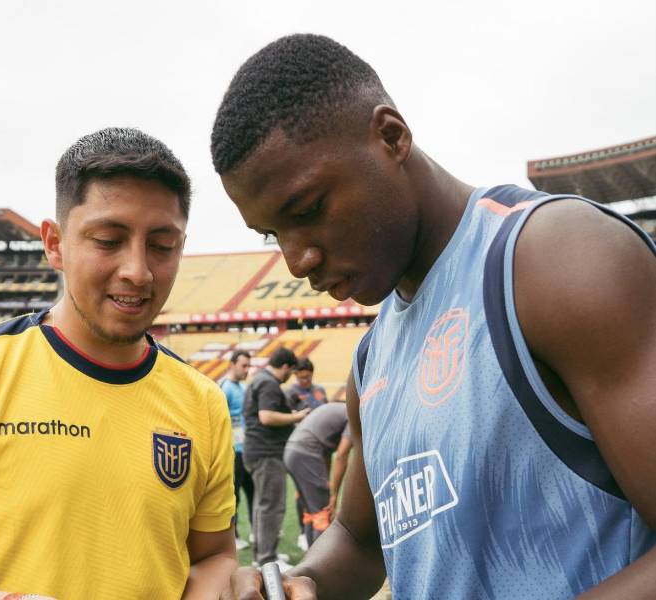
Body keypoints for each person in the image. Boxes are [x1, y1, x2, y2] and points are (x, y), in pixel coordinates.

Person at [211, 34, 656, 599]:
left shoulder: (553, 259)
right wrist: (304, 583)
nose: (297, 261)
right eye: (275, 234)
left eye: (308, 210)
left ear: (391, 137)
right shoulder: (373, 358)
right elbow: (360, 540)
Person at [0, 128, 237, 599]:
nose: (138, 270)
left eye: (162, 245)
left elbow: (215, 556)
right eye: (109, 240)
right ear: (54, 244)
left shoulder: (202, 401)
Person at [243, 346, 309, 571]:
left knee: (263, 506)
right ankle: (266, 559)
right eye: (290, 371)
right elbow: (267, 416)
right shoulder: (269, 383)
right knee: (272, 507)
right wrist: (297, 416)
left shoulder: (258, 379)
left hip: (257, 452)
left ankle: (261, 556)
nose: (290, 376)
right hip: (267, 453)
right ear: (285, 367)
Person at [283, 401, 352, 548]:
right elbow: (342, 455)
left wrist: (326, 479)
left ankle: (310, 560)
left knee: (311, 513)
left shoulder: (335, 409)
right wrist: (334, 494)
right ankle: (319, 567)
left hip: (291, 453)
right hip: (306, 454)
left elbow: (326, 454)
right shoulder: (353, 414)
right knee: (323, 513)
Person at [220, 349, 255, 550]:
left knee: (253, 492)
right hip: (233, 451)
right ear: (232, 364)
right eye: (243, 365)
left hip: (247, 449)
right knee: (234, 496)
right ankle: (233, 536)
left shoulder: (242, 387)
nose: (246, 369)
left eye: (248, 365)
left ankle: (254, 530)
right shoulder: (224, 388)